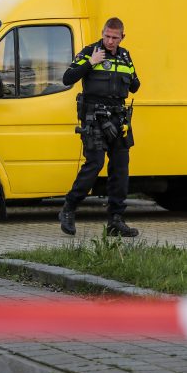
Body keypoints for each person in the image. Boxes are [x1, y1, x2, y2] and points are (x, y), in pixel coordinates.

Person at [59, 17, 141, 237]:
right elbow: (68, 78)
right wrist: (91, 62)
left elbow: (135, 85)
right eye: (107, 36)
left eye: (115, 37)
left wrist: (131, 77)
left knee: (120, 170)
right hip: (94, 118)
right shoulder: (90, 52)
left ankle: (116, 220)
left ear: (122, 37)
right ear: (102, 33)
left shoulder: (125, 56)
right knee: (94, 165)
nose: (110, 41)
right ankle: (69, 208)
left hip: (118, 119)